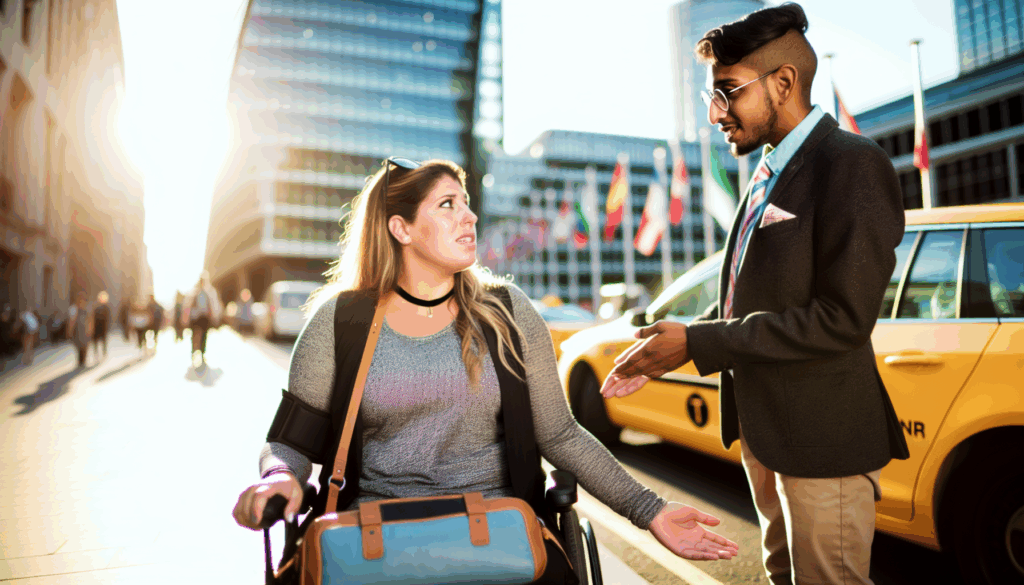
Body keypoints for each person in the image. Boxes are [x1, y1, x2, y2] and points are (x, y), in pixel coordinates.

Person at [231, 158, 739, 580]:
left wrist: (650, 512)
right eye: (447, 205)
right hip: (375, 544)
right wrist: (279, 478)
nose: (469, 217)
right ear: (400, 228)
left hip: (500, 541)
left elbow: (560, 434)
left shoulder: (508, 311)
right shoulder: (338, 322)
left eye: (467, 203)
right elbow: (290, 445)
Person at [600, 5, 910, 585]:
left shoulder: (852, 165)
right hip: (766, 435)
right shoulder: (765, 173)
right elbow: (752, 298)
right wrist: (676, 344)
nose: (716, 113)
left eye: (727, 92)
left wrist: (700, 339)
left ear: (783, 83)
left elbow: (841, 320)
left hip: (823, 445)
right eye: (711, 97)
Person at [183, 273, 221, 367]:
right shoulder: (193, 293)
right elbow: (187, 307)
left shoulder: (209, 292)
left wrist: (214, 318)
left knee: (204, 335)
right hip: (195, 318)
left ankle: (202, 353)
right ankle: (193, 351)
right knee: (194, 335)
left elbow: (213, 306)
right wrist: (185, 319)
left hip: (204, 318)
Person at [67, 292, 93, 368]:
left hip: (85, 330)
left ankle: (83, 360)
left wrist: (90, 329)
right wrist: (70, 330)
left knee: (85, 346)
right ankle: (80, 360)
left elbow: (90, 320)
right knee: (79, 346)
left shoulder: (87, 309)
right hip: (78, 331)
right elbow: (72, 321)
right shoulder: (74, 309)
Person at [92, 291, 111, 359]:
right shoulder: (96, 307)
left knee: (103, 341)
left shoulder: (106, 307)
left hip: (103, 327)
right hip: (96, 326)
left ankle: (104, 353)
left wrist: (107, 326)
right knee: (96, 341)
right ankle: (96, 353)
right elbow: (93, 317)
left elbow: (108, 318)